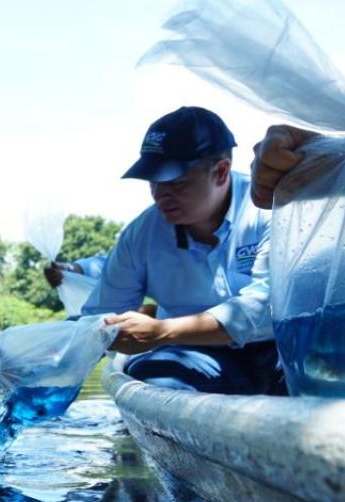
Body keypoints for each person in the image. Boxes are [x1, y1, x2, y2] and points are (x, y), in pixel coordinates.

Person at [82, 106, 283, 395]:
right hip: (194, 355)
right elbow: (100, 316)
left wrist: (163, 330)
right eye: (153, 181)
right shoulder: (143, 234)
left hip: (279, 351)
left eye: (176, 182)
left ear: (221, 171)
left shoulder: (270, 211)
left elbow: (265, 308)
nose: (161, 195)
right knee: (154, 374)